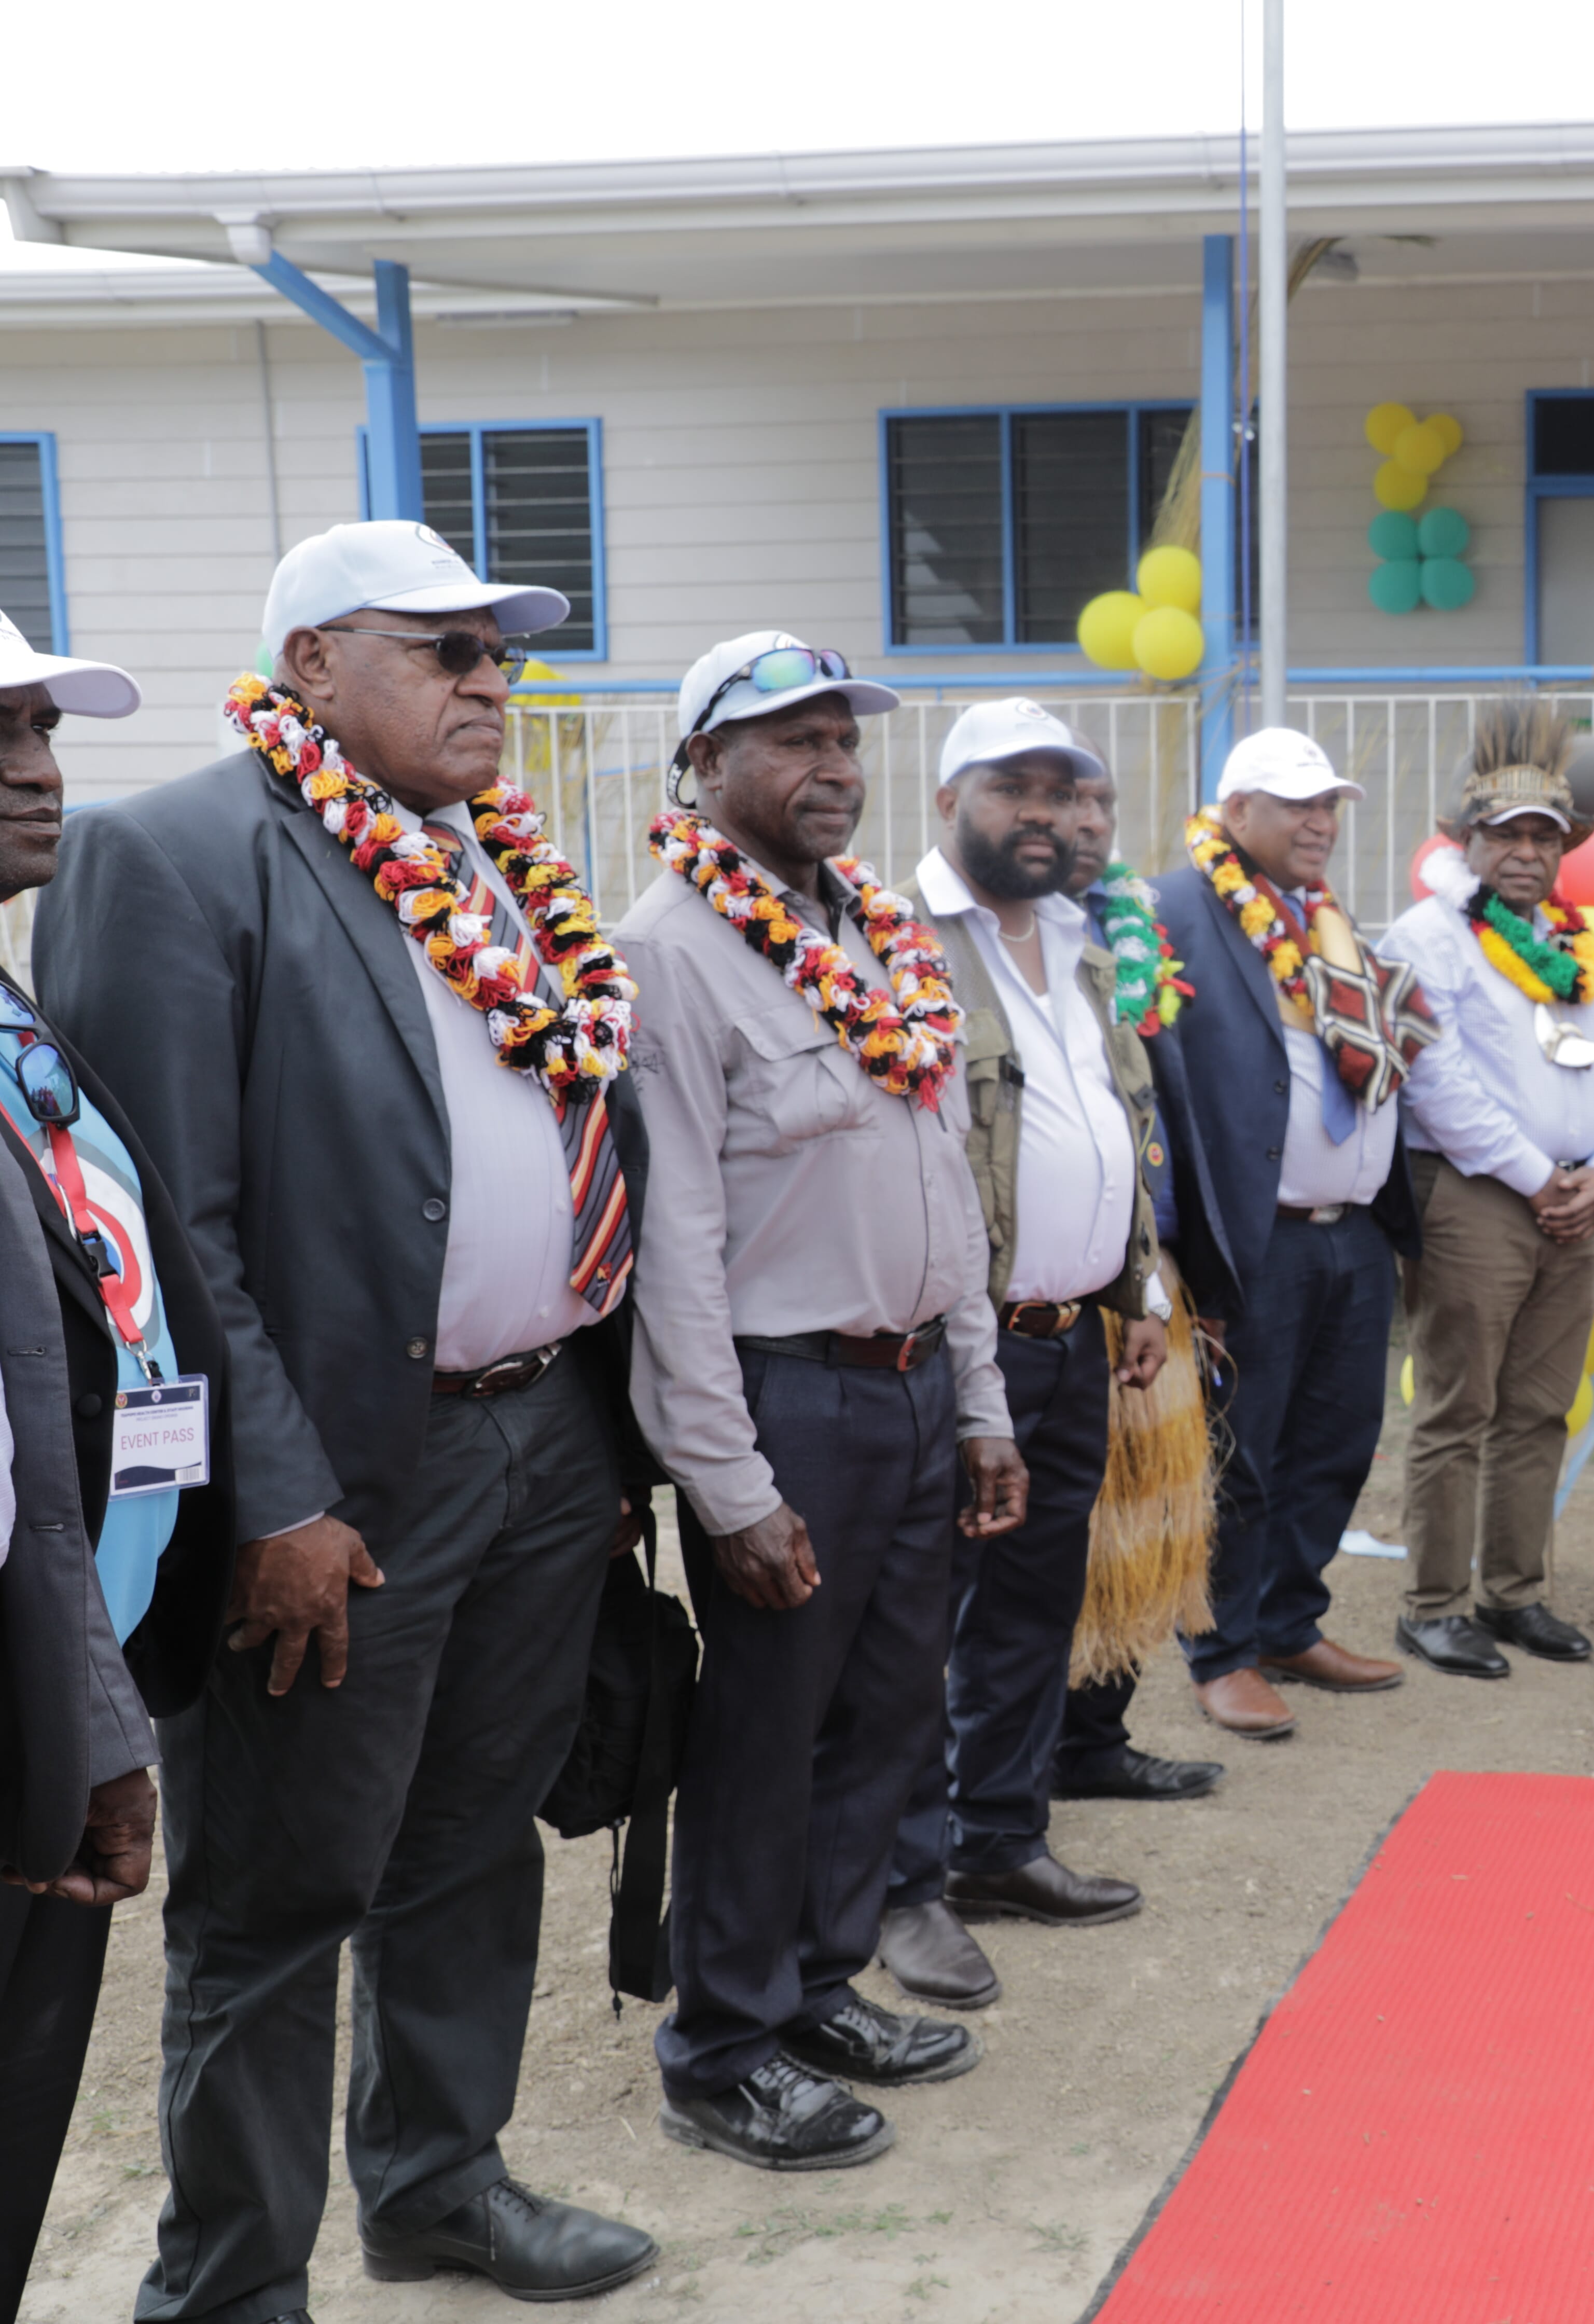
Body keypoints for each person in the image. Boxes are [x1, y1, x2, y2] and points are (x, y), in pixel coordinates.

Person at [38, 523, 662, 2312]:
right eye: (443, 649)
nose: (490, 683)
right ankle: (234, 2281)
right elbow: (162, 1232)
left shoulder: (495, 865)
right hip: (329, 1479)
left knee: (471, 1846)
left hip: (540, 1440)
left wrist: (597, 1445)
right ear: (310, 666)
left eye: (501, 654)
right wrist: (273, 1504)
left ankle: (437, 2183)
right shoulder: (177, 858)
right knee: (277, 1892)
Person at [621, 631, 1026, 2170]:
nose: (832, 767)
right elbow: (677, 1244)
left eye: (843, 739)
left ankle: (813, 1983)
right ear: (704, 766)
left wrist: (981, 1403)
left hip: (918, 1386)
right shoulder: (667, 947)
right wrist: (728, 1482)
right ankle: (720, 2044)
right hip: (792, 1399)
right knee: (766, 1731)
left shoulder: (878, 931)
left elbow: (943, 1193)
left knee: (879, 1719)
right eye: (788, 739)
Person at [876, 700, 1181, 2013]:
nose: (1050, 814)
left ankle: (1001, 1840)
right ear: (953, 800)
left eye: (1071, 791)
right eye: (1019, 788)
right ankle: (904, 1886)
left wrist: (1145, 1279)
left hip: (1075, 1336)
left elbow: (1120, 1114)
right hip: (963, 1345)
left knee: (1031, 1613)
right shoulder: (889, 939)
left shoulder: (1087, 942)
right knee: (922, 1627)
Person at [0, 617, 235, 2315]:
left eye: (37, 732)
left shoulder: (14, 1018)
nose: (37, 772)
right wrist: (71, 1716)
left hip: (75, 1649)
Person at [1157, 728, 1434, 1739]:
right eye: (1297, 805)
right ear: (1236, 814)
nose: (1321, 822)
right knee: (1242, 1454)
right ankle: (1221, 1650)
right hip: (1255, 1239)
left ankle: (1288, 1619)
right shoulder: (1176, 908)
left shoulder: (1321, 915)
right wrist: (1183, 1255)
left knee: (1335, 1442)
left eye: (1331, 806)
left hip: (1351, 1232)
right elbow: (1166, 1090)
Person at [1377, 702, 1594, 1678]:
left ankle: (1515, 1593)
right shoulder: (1426, 936)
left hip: (1576, 1202)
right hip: (1478, 1198)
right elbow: (1437, 1085)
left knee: (1539, 1408)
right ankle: (1434, 1605)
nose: (1528, 851)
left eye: (1546, 836)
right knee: (1458, 1407)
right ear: (1467, 840)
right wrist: (1542, 1180)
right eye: (1508, 834)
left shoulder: (1570, 942)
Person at [1045, 787, 1236, 1805]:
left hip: (1150, 1270)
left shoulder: (1136, 933)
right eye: (1053, 802)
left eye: (1097, 804)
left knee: (1147, 1521)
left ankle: (1094, 1742)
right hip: (1051, 1286)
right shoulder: (984, 943)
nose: (1083, 823)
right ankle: (1009, 1762)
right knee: (1054, 1539)